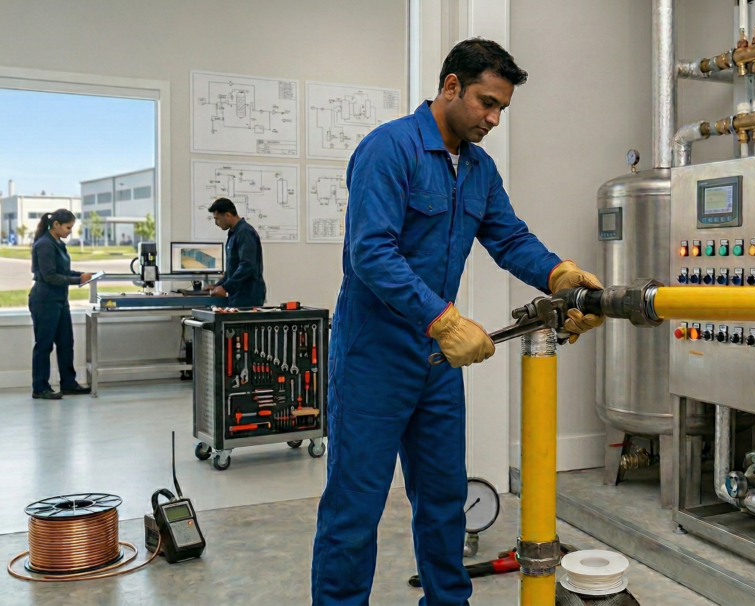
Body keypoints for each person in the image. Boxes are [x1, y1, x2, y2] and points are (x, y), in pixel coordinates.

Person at [311, 38, 604, 605]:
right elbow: (370, 252)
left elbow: (508, 236)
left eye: (502, 109)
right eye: (486, 103)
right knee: (355, 506)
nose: (493, 119)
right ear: (451, 87)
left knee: (445, 500)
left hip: (437, 364)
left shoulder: (478, 169)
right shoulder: (388, 150)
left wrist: (560, 275)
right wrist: (443, 320)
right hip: (375, 354)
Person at [29, 209, 93, 400]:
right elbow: (50, 276)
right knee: (45, 344)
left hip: (59, 300)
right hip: (45, 300)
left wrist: (81, 275)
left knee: (66, 342)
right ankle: (40, 388)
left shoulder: (58, 244)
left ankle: (68, 383)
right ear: (56, 225)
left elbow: (62, 270)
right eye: (68, 227)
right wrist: (77, 280)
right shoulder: (44, 245)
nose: (70, 231)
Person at [204, 198, 266, 307]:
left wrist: (225, 287)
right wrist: (218, 285)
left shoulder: (245, 232)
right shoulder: (234, 233)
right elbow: (233, 267)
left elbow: (247, 265)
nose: (216, 223)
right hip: (237, 293)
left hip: (248, 294)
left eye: (217, 219)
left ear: (228, 215)